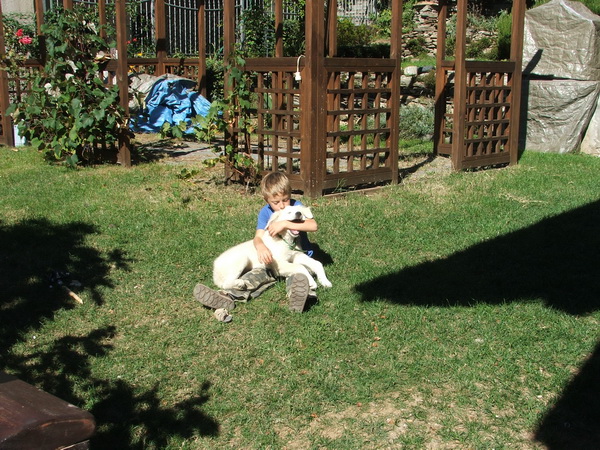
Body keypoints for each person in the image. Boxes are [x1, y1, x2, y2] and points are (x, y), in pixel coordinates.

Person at [194, 172, 319, 313]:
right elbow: (258, 237)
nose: (283, 206)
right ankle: (228, 295)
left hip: (299, 257)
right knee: (256, 275)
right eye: (276, 202)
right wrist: (260, 247)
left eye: (285, 199)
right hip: (272, 261)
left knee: (299, 273)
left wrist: (284, 223)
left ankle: (303, 296)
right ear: (267, 200)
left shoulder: (295, 207)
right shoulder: (265, 213)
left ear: (290, 195)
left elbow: (313, 225)